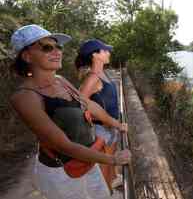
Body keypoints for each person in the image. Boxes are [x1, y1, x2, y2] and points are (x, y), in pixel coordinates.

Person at [9, 24, 131, 199]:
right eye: (46, 47)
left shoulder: (61, 81)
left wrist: (118, 125)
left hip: (88, 161)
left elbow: (90, 105)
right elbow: (63, 145)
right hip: (61, 174)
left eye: (58, 46)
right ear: (27, 56)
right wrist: (113, 160)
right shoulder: (25, 96)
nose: (57, 51)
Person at [75, 39, 122, 191]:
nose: (109, 52)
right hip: (102, 130)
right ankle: (107, 193)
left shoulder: (103, 73)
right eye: (105, 50)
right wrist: (97, 118)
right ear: (95, 55)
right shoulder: (93, 77)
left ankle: (114, 182)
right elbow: (78, 106)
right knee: (105, 170)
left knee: (110, 165)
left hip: (111, 127)